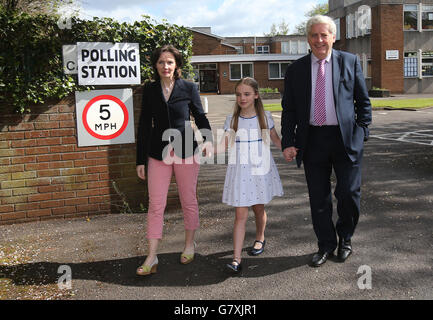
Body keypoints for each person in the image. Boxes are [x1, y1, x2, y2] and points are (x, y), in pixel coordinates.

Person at [281, 15, 372, 267]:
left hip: (345, 140)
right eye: (314, 35)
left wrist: (362, 132)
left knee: (348, 194)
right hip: (312, 139)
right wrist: (288, 141)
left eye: (324, 35)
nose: (319, 40)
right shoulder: (296, 69)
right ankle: (325, 244)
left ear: (333, 37)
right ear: (308, 39)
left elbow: (363, 102)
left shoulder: (349, 62)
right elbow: (288, 110)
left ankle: (345, 239)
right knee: (318, 198)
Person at [135, 45, 213, 276]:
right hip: (157, 154)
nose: (165, 66)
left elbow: (200, 116)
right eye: (161, 62)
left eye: (169, 62)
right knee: (155, 204)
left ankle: (189, 244)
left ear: (176, 64)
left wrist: (207, 139)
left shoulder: (189, 87)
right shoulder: (149, 90)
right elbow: (144, 126)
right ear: (155, 65)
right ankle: (151, 256)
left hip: (187, 150)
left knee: (188, 200)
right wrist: (140, 159)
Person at [214, 77, 283, 272]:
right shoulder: (232, 119)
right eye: (238, 94)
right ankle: (236, 260)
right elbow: (223, 145)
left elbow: (277, 141)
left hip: (259, 170)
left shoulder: (265, 117)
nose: (242, 98)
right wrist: (210, 149)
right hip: (240, 171)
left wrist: (289, 150)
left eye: (246, 94)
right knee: (240, 215)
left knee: (259, 209)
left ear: (256, 95)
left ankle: (260, 237)